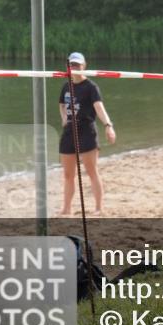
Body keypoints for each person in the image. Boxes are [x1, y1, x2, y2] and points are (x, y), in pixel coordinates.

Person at [57, 52, 116, 216]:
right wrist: (63, 119)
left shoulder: (91, 87)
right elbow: (62, 104)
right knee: (68, 175)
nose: (74, 68)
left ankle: (98, 208)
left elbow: (99, 108)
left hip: (86, 132)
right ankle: (66, 208)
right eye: (71, 65)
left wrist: (108, 125)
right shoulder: (66, 86)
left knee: (91, 171)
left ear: (84, 66)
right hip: (69, 132)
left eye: (77, 65)